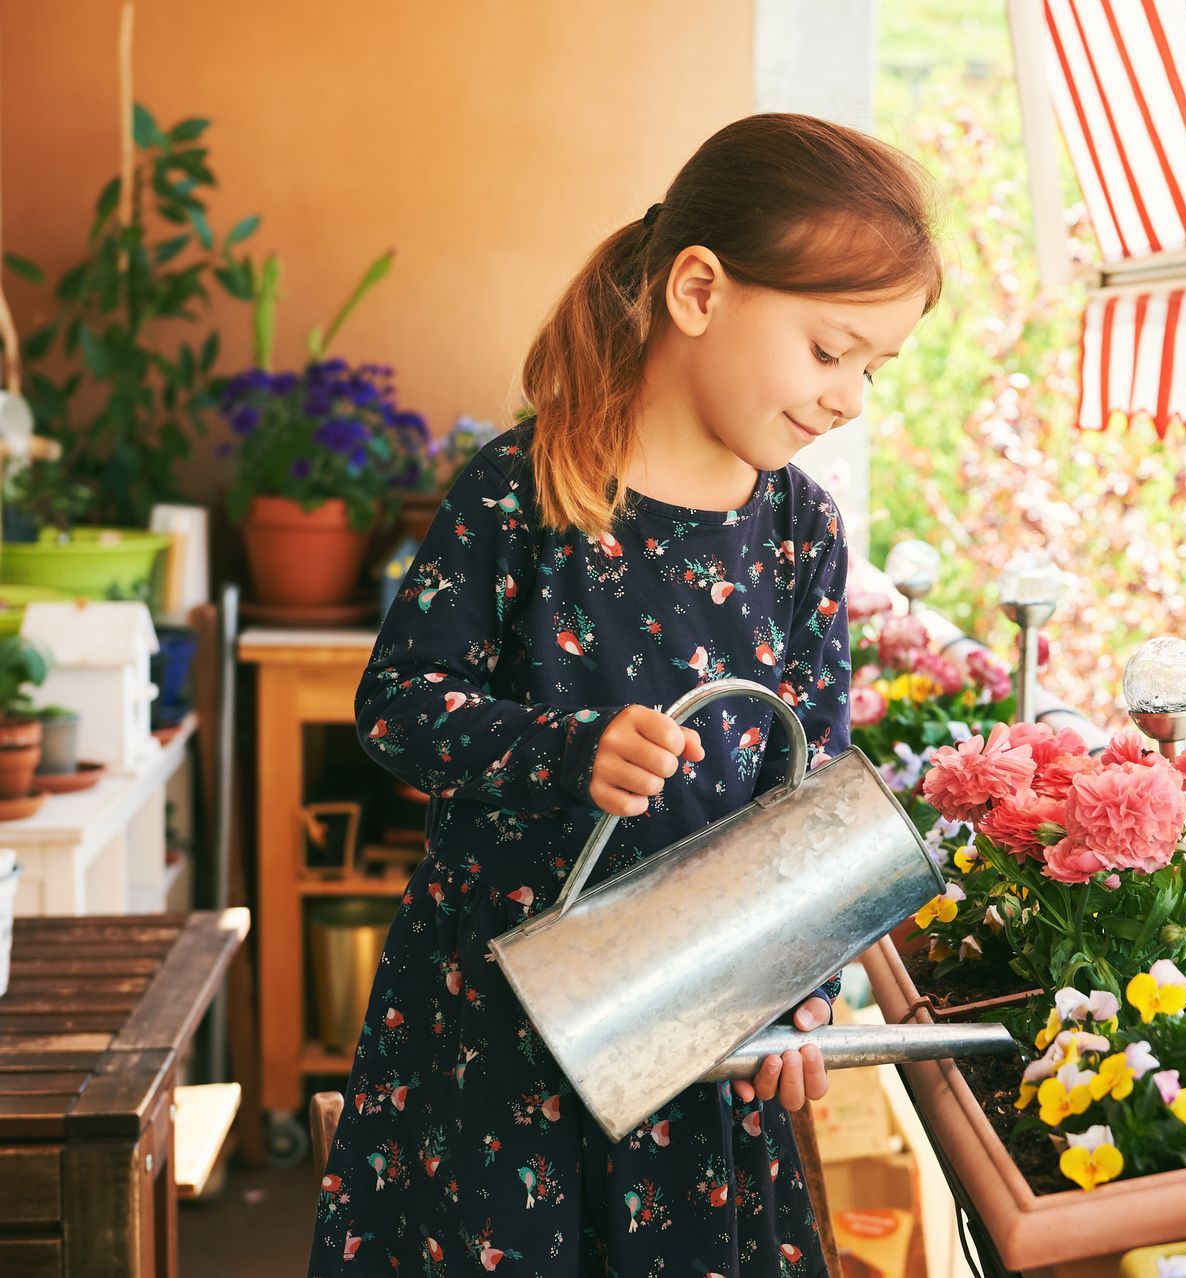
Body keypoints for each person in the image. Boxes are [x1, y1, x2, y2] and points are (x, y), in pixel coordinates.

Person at [308, 112, 942, 1276]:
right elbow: (398, 702)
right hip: (498, 1039)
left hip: (696, 1050)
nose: (851, 396)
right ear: (699, 289)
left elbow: (802, 816)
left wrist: (797, 1007)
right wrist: (562, 752)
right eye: (828, 350)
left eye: (873, 367)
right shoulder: (518, 492)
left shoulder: (803, 530)